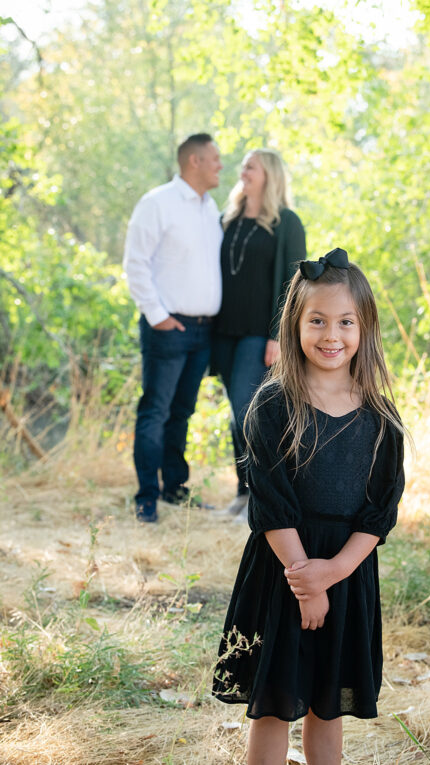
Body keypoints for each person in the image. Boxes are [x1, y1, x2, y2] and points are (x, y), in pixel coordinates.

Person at [212, 247, 406, 765]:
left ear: (364, 328)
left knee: (329, 702)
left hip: (346, 572)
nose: (331, 335)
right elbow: (272, 503)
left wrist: (334, 572)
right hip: (283, 571)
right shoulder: (274, 406)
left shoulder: (381, 417)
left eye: (346, 322)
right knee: (274, 703)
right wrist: (305, 580)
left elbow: (380, 509)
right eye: (316, 321)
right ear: (294, 326)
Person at [123, 133, 223, 523]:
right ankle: (146, 496)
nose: (220, 165)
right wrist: (157, 315)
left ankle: (174, 489)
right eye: (214, 158)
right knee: (155, 411)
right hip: (168, 327)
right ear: (194, 161)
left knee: (182, 412)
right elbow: (135, 264)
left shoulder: (210, 208)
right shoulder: (157, 203)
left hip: (203, 332)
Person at [211, 148, 307, 520]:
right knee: (237, 416)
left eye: (251, 166)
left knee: (247, 412)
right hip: (222, 333)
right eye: (244, 166)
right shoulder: (227, 219)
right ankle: (242, 492)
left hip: (258, 335)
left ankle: (259, 498)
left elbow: (293, 284)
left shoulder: (286, 222)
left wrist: (278, 337)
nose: (242, 170)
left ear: (269, 175)